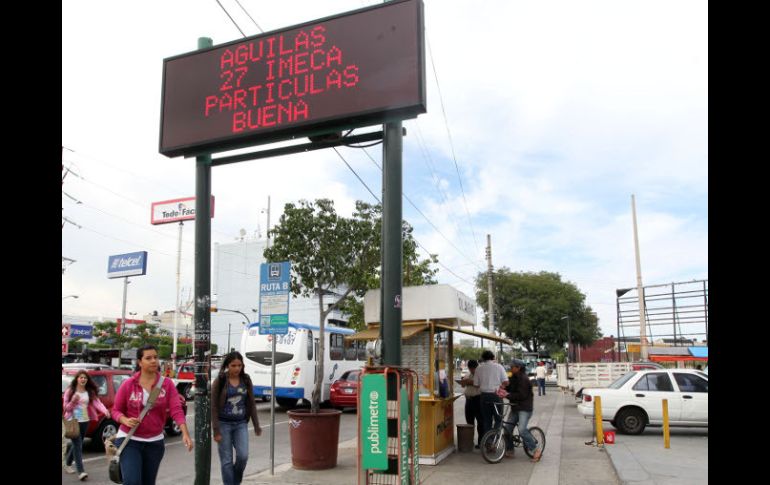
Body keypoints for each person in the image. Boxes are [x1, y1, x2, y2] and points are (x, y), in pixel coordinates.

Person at [112, 345, 193, 485]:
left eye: (155, 357)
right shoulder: (129, 384)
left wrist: (185, 433)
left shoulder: (166, 384)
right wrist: (124, 420)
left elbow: (176, 409)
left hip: (155, 443)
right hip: (130, 440)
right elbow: (115, 411)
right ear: (139, 362)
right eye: (148, 358)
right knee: (132, 482)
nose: (153, 361)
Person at [212, 351, 262, 485]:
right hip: (223, 424)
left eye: (239, 365)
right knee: (227, 461)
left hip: (240, 424)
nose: (237, 368)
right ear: (228, 365)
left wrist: (256, 425)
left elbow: (251, 402)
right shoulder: (221, 380)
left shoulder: (246, 379)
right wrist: (216, 430)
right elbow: (214, 406)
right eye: (233, 365)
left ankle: (234, 481)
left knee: (243, 456)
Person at [63, 370, 110, 480]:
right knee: (78, 445)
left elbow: (97, 403)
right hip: (73, 421)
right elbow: (66, 408)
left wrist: (105, 411)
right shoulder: (70, 391)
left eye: (85, 378)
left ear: (87, 380)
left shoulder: (89, 391)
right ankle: (81, 471)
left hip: (85, 420)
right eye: (81, 377)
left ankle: (68, 463)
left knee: (76, 444)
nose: (83, 379)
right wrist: (73, 401)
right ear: (77, 379)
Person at [504, 359, 542, 461]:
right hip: (515, 407)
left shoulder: (524, 379)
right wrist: (503, 388)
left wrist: (508, 395)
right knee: (507, 429)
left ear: (518, 368)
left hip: (524, 408)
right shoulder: (513, 377)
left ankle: (535, 450)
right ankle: (510, 450)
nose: (511, 368)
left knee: (521, 429)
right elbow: (509, 388)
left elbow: (521, 395)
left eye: (512, 367)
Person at [473, 350, 509, 443]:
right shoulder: (499, 367)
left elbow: (476, 385)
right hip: (496, 395)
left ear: (483, 358)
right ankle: (495, 441)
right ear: (493, 357)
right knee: (498, 419)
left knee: (486, 420)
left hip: (484, 397)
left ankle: (488, 442)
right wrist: (501, 386)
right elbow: (506, 381)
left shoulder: (479, 368)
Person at [459, 359, 481, 447]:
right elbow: (463, 385)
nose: (471, 370)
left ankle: (481, 442)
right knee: (469, 422)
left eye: (473, 368)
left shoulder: (480, 374)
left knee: (480, 422)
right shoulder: (468, 374)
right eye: (470, 368)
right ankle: (470, 441)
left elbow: (480, 384)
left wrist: (470, 382)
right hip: (469, 400)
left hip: (478, 399)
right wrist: (463, 382)